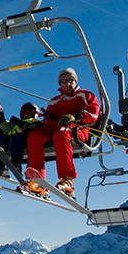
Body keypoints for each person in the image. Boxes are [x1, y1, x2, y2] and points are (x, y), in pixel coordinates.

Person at [22, 68, 100, 197]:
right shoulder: (55, 100)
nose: (67, 84)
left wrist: (77, 117)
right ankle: (36, 180)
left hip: (77, 129)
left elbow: (93, 113)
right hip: (56, 128)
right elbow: (48, 122)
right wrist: (39, 123)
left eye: (70, 80)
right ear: (60, 84)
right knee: (34, 136)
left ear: (75, 81)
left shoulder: (85, 95)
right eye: (63, 81)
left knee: (61, 133)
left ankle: (67, 179)